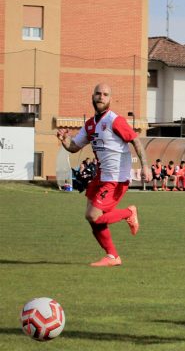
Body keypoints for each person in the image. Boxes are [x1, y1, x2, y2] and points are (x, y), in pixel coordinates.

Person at [56, 83, 151, 267]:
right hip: (101, 177)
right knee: (91, 218)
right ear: (92, 96)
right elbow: (74, 147)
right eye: (98, 93)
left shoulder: (115, 120)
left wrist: (145, 166)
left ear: (110, 99)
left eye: (105, 94)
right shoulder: (90, 124)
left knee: (94, 216)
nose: (101, 97)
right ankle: (112, 256)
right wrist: (64, 140)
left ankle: (128, 213)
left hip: (116, 179)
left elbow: (136, 141)